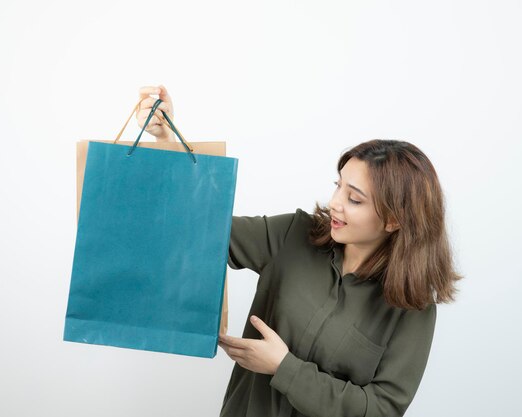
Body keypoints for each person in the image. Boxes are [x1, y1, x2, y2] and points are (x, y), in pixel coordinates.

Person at [136, 85, 463, 417]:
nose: (335, 203)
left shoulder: (413, 308)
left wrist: (283, 367)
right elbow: (199, 229)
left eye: (354, 198)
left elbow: (381, 410)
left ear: (393, 219)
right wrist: (166, 141)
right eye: (339, 186)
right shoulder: (294, 235)